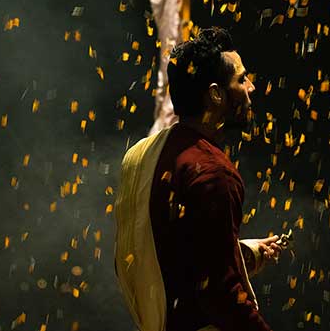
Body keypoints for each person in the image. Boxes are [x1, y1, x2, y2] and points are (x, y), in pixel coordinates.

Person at [114, 28, 281, 331]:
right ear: (216, 94)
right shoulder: (212, 172)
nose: (252, 87)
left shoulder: (142, 155)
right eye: (242, 79)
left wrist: (239, 254)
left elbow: (165, 257)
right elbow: (222, 297)